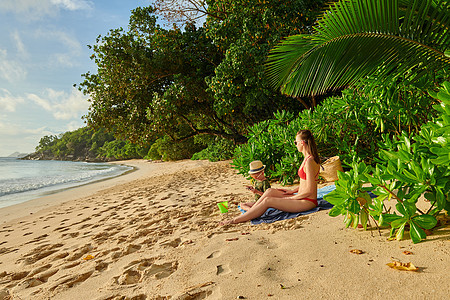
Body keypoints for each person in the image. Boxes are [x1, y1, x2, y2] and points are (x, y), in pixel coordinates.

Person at [219, 130, 320, 226]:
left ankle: (234, 220)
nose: (295, 144)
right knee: (270, 191)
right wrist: (292, 191)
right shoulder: (307, 158)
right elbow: (306, 182)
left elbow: (309, 191)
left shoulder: (309, 161)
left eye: (296, 142)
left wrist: (291, 198)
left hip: (307, 202)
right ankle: (254, 210)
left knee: (268, 200)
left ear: (302, 143)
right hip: (301, 197)